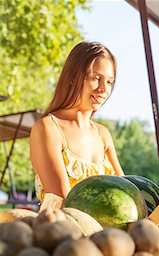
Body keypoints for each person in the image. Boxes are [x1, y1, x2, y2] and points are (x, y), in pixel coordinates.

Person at [30, 41, 124, 205]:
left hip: (107, 230)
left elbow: (126, 194)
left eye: (109, 81)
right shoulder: (48, 128)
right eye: (96, 78)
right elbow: (65, 204)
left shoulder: (103, 134)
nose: (103, 89)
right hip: (62, 229)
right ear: (73, 78)